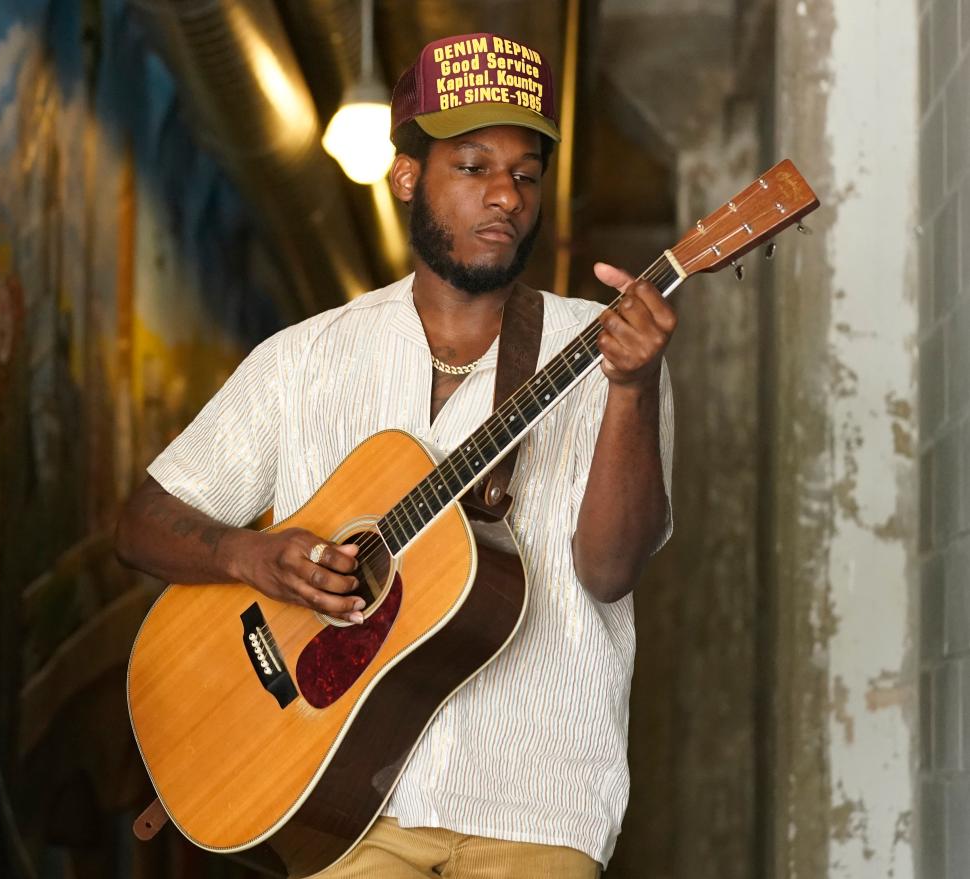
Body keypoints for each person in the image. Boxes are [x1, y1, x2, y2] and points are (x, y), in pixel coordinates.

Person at [115, 31, 676, 879]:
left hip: (540, 798)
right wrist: (250, 555)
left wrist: (633, 390)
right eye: (473, 166)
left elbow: (609, 569)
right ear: (408, 176)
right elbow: (141, 523)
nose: (504, 197)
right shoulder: (302, 361)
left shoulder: (607, 350)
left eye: (525, 174)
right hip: (346, 806)